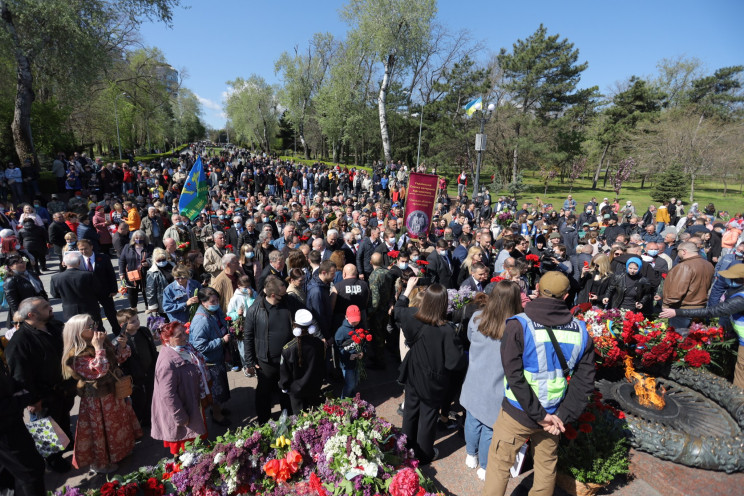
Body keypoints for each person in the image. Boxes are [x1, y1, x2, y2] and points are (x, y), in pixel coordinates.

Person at [483, 272, 595, 496]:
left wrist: (538, 414)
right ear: (566, 297)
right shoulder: (581, 331)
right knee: (546, 469)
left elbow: (514, 375)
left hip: (518, 412)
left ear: (537, 288)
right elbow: (584, 383)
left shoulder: (518, 325)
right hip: (555, 416)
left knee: (499, 467)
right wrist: (561, 416)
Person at [396, 279, 466, 465]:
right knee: (427, 417)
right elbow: (454, 363)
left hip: (413, 373)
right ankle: (424, 454)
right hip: (434, 380)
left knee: (411, 410)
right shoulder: (447, 331)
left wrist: (407, 290)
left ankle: (405, 446)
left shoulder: (413, 317)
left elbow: (397, 310)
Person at [61, 314, 141, 474]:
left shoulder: (101, 340)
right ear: (78, 332)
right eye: (90, 327)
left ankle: (121, 451)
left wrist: (122, 347)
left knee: (119, 423)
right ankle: (103, 462)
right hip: (97, 399)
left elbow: (118, 359)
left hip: (113, 392)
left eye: (94, 324)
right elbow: (99, 370)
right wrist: (98, 348)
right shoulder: (75, 355)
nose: (95, 328)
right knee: (103, 429)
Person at [460, 281, 522, 481]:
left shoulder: (477, 317)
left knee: (472, 419)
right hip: (497, 384)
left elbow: (470, 339)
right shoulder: (516, 326)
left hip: (474, 378)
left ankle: (471, 454)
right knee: (489, 427)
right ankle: (485, 466)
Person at [660, 263, 744, 389]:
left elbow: (711, 312)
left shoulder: (740, 299)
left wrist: (677, 312)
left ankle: (738, 401)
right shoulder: (737, 293)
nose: (730, 281)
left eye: (734, 279)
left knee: (741, 371)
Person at [243, 276, 300, 424]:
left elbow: (304, 314)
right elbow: (248, 336)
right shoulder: (255, 310)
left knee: (286, 390)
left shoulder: (289, 301)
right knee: (264, 392)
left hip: (287, 359)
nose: (285, 295)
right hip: (266, 361)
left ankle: (287, 418)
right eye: (282, 294)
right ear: (273, 295)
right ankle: (264, 422)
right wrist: (249, 361)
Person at [150, 321, 209, 455]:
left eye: (184, 333)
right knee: (185, 451)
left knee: (194, 447)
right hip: (181, 412)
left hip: (190, 403)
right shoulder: (167, 363)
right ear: (167, 339)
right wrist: (180, 416)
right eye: (179, 335)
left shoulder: (184, 348)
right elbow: (168, 395)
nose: (184, 337)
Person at [189, 287, 231, 426]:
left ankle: (219, 409)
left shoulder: (214, 311)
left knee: (221, 388)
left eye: (217, 300)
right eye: (213, 301)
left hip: (218, 358)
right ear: (203, 303)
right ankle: (216, 415)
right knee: (216, 391)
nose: (216, 303)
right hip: (210, 363)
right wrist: (221, 341)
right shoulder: (201, 321)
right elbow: (199, 346)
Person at [278, 309, 326, 414]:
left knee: (300, 423)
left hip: (296, 392)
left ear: (295, 326)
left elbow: (284, 374)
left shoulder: (288, 349)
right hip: (314, 388)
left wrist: (284, 386)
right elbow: (322, 366)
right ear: (312, 327)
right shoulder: (319, 344)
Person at [116, 309, 157, 428]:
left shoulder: (144, 331)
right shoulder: (121, 340)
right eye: (132, 321)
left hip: (149, 370)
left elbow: (152, 349)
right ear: (123, 325)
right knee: (139, 400)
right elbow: (120, 359)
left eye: (137, 319)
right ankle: (136, 422)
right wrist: (122, 347)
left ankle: (149, 420)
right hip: (134, 376)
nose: (137, 322)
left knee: (151, 396)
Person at [662, 241, 715, 331]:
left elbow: (677, 291)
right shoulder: (708, 265)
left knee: (680, 339)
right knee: (696, 339)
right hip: (700, 307)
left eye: (678, 251)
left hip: (683, 309)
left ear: (684, 251)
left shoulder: (684, 266)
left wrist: (666, 305)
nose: (677, 254)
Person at [78, 238, 121, 335]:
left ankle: (118, 331)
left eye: (85, 249)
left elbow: (111, 274)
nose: (83, 251)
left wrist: (114, 289)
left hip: (104, 291)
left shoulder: (103, 258)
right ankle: (100, 333)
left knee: (111, 312)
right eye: (81, 249)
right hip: (89, 293)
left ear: (91, 247)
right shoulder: (77, 260)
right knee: (94, 315)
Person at [50, 252, 102, 325]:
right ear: (79, 262)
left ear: (64, 263)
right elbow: (98, 290)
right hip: (90, 308)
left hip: (70, 311)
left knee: (75, 331)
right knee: (96, 329)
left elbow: (55, 294)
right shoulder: (89, 275)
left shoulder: (55, 278)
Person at [3, 256, 47, 327]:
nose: (22, 264)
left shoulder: (31, 274)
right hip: (25, 311)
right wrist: (20, 315)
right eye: (18, 263)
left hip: (38, 307)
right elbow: (12, 301)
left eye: (22, 261)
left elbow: (42, 290)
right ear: (11, 267)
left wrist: (46, 302)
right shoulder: (11, 280)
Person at [335, 305, 366, 398]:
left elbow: (364, 343)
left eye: (357, 320)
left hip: (357, 361)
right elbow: (338, 348)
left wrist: (363, 352)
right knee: (350, 384)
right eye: (353, 321)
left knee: (355, 382)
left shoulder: (360, 327)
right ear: (346, 317)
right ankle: (343, 401)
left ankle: (352, 398)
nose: (355, 323)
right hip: (347, 363)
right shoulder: (341, 331)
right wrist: (348, 356)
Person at [118, 230, 153, 310]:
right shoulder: (127, 247)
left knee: (146, 290)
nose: (138, 239)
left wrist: (148, 262)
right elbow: (122, 260)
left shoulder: (150, 247)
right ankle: (133, 308)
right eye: (136, 238)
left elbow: (154, 258)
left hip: (145, 273)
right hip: (132, 273)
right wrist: (121, 273)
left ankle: (148, 306)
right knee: (132, 291)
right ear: (133, 238)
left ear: (144, 238)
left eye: (141, 237)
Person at [145, 248, 175, 319]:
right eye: (159, 260)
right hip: (163, 302)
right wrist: (153, 306)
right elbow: (150, 291)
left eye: (163, 259)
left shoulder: (173, 266)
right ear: (155, 260)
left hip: (176, 298)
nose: (162, 261)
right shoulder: (152, 272)